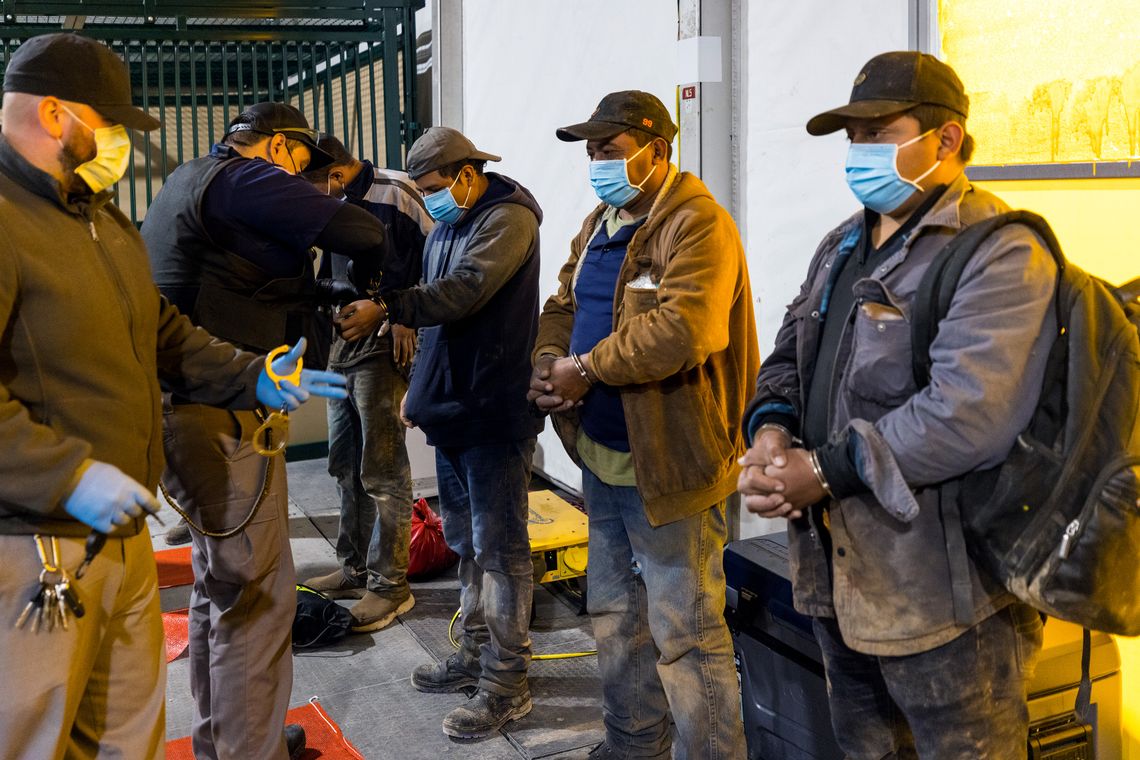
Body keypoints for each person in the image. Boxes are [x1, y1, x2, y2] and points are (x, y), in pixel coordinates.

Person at [0, 33, 345, 760]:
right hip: (37, 547)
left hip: (121, 531)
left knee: (130, 734)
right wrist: (67, 476)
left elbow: (163, 332)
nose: (120, 140)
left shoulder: (98, 216)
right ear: (56, 113)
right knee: (39, 737)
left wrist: (252, 374)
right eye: (110, 122)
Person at [738, 51, 1056, 759]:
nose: (858, 154)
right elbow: (791, 353)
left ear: (945, 140)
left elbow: (967, 413)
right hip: (837, 577)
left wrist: (818, 472)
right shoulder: (844, 243)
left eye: (878, 134)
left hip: (947, 600)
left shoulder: (997, 252)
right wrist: (770, 433)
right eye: (851, 138)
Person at [142, 103, 389, 759]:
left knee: (219, 587)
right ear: (279, 146)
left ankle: (227, 735)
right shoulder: (244, 178)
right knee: (257, 601)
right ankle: (251, 750)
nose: (302, 186)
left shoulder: (185, 181)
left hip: (181, 411)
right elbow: (361, 230)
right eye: (301, 169)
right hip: (223, 417)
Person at [530, 90, 758, 760]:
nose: (597, 162)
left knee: (687, 638)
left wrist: (586, 370)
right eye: (592, 151)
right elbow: (562, 302)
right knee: (615, 619)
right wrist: (548, 359)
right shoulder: (600, 222)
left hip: (673, 471)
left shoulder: (697, 225)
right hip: (602, 461)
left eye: (611, 149)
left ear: (656, 150)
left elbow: (685, 330)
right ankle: (633, 746)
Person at [364, 126, 543, 739]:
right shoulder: (449, 222)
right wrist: (422, 395)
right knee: (466, 541)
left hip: (494, 410)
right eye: (422, 189)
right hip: (454, 409)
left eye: (436, 187)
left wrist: (389, 307)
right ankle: (473, 651)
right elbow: (438, 326)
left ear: (467, 174)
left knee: (501, 551)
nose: (430, 199)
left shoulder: (508, 220)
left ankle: (506, 682)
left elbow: (462, 295)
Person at [299, 133, 434, 632]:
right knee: (343, 461)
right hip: (343, 341)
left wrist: (404, 313)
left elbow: (439, 254)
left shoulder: (397, 192)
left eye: (311, 182)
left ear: (335, 173)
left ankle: (390, 586)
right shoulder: (332, 203)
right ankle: (354, 566)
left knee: (381, 468)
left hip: (382, 343)